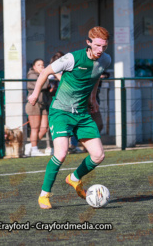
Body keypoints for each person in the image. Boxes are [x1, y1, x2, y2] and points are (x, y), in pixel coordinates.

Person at [28, 26, 111, 209]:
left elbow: (96, 77)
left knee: (98, 155)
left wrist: (92, 98)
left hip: (82, 113)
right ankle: (44, 195)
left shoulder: (105, 59)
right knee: (61, 153)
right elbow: (45, 72)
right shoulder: (72, 58)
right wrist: (34, 94)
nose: (100, 50)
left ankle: (74, 178)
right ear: (88, 42)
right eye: (97, 46)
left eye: (104, 46)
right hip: (61, 112)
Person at [24, 59, 52, 157]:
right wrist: (47, 77)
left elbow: (46, 88)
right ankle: (34, 149)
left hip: (43, 104)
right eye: (39, 65)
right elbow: (43, 85)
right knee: (35, 128)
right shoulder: (31, 75)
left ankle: (30, 145)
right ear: (34, 67)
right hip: (34, 104)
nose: (41, 67)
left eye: (43, 65)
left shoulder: (43, 75)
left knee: (44, 128)